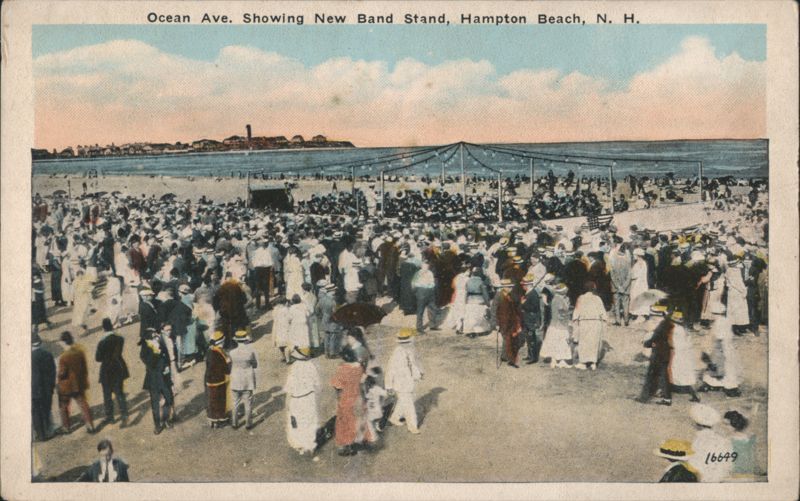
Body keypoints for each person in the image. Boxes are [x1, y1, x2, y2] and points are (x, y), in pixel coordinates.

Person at [331, 346, 369, 455]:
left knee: (344, 422)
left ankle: (346, 445)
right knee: (358, 420)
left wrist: (338, 399)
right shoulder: (359, 368)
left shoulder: (342, 369)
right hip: (358, 398)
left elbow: (337, 386)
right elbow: (363, 383)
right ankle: (357, 441)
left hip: (346, 398)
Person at [385, 328, 424, 434]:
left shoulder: (411, 349)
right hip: (400, 383)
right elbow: (390, 369)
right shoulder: (396, 354)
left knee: (405, 401)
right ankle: (412, 426)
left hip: (410, 381)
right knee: (409, 405)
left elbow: (415, 362)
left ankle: (394, 418)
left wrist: (420, 373)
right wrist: (388, 385)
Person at [285, 346, 321, 458]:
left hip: (296, 399)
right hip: (309, 397)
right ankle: (310, 445)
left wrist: (287, 404)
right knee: (310, 421)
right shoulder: (311, 366)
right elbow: (317, 384)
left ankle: (299, 444)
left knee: (297, 422)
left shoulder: (293, 368)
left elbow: (289, 388)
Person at [56, 331, 95, 434]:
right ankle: (90, 425)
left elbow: (62, 373)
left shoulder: (64, 357)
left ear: (63, 342)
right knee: (83, 404)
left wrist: (58, 375)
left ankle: (66, 427)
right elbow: (84, 368)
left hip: (66, 386)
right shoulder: (79, 352)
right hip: (78, 384)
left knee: (63, 406)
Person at [140, 327, 175, 434]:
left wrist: (167, 367)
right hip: (153, 380)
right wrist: (156, 351)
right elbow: (150, 363)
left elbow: (167, 356)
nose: (156, 336)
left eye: (156, 334)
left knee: (169, 398)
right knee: (155, 404)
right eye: (153, 335)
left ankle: (166, 419)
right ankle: (157, 425)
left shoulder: (160, 342)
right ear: (148, 338)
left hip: (164, 377)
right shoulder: (145, 349)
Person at [95, 318, 130, 427]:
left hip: (106, 370)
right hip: (118, 367)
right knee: (119, 393)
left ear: (103, 328)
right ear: (112, 326)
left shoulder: (102, 342)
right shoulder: (120, 339)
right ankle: (124, 415)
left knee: (107, 395)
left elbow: (98, 358)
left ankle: (110, 417)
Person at [688, 404, 734, 482]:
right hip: (720, 479)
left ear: (695, 424)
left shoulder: (698, 441)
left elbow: (694, 467)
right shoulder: (722, 440)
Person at [572, 282, 607, 370]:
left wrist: (575, 320)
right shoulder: (597, 298)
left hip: (585, 322)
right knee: (594, 342)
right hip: (596, 322)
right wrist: (604, 322)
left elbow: (576, 311)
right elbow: (602, 312)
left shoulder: (581, 298)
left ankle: (583, 363)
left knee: (584, 342)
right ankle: (593, 363)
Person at [229, 330, 258, 430]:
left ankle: (234, 423)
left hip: (235, 378)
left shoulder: (232, 352)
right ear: (246, 340)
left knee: (235, 402)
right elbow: (255, 364)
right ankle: (248, 424)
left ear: (237, 341)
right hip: (247, 380)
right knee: (248, 402)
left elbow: (229, 364)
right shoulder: (250, 352)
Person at [539, 283, 573, 368]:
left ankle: (554, 361)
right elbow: (562, 312)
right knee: (561, 342)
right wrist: (569, 313)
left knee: (553, 342)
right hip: (560, 325)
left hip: (553, 324)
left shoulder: (554, 299)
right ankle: (561, 361)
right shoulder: (560, 299)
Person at [32, 332, 56, 441]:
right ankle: (48, 431)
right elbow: (53, 372)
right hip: (47, 389)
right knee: (46, 409)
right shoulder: (48, 355)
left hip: (34, 390)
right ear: (40, 343)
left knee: (36, 412)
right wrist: (51, 386)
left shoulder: (28, 358)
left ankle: (41, 435)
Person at [205, 330, 231, 428]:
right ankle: (220, 419)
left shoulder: (210, 351)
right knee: (220, 399)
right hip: (219, 380)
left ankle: (212, 419)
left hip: (210, 379)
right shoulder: (219, 352)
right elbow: (224, 367)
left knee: (212, 399)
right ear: (221, 342)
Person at [521, 274, 544, 364]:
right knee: (528, 338)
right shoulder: (528, 293)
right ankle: (529, 355)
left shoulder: (533, 294)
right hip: (527, 319)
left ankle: (533, 357)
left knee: (532, 339)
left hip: (531, 319)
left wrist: (523, 303)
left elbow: (533, 307)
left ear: (528, 285)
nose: (522, 286)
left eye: (524, 285)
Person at [411, 260, 438, 333]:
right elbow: (413, 284)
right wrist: (417, 292)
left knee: (432, 309)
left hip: (430, 292)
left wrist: (431, 287)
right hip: (421, 292)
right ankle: (419, 327)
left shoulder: (430, 273)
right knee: (420, 311)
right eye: (425, 266)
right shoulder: (418, 273)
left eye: (427, 266)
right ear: (422, 266)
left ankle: (432, 325)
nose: (426, 267)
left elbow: (432, 282)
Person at [609, 244, 632, 326]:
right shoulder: (628, 263)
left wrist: (618, 286)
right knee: (626, 304)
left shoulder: (613, 263)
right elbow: (629, 276)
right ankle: (626, 320)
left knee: (616, 305)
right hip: (626, 288)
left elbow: (612, 276)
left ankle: (618, 321)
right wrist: (624, 287)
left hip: (616, 288)